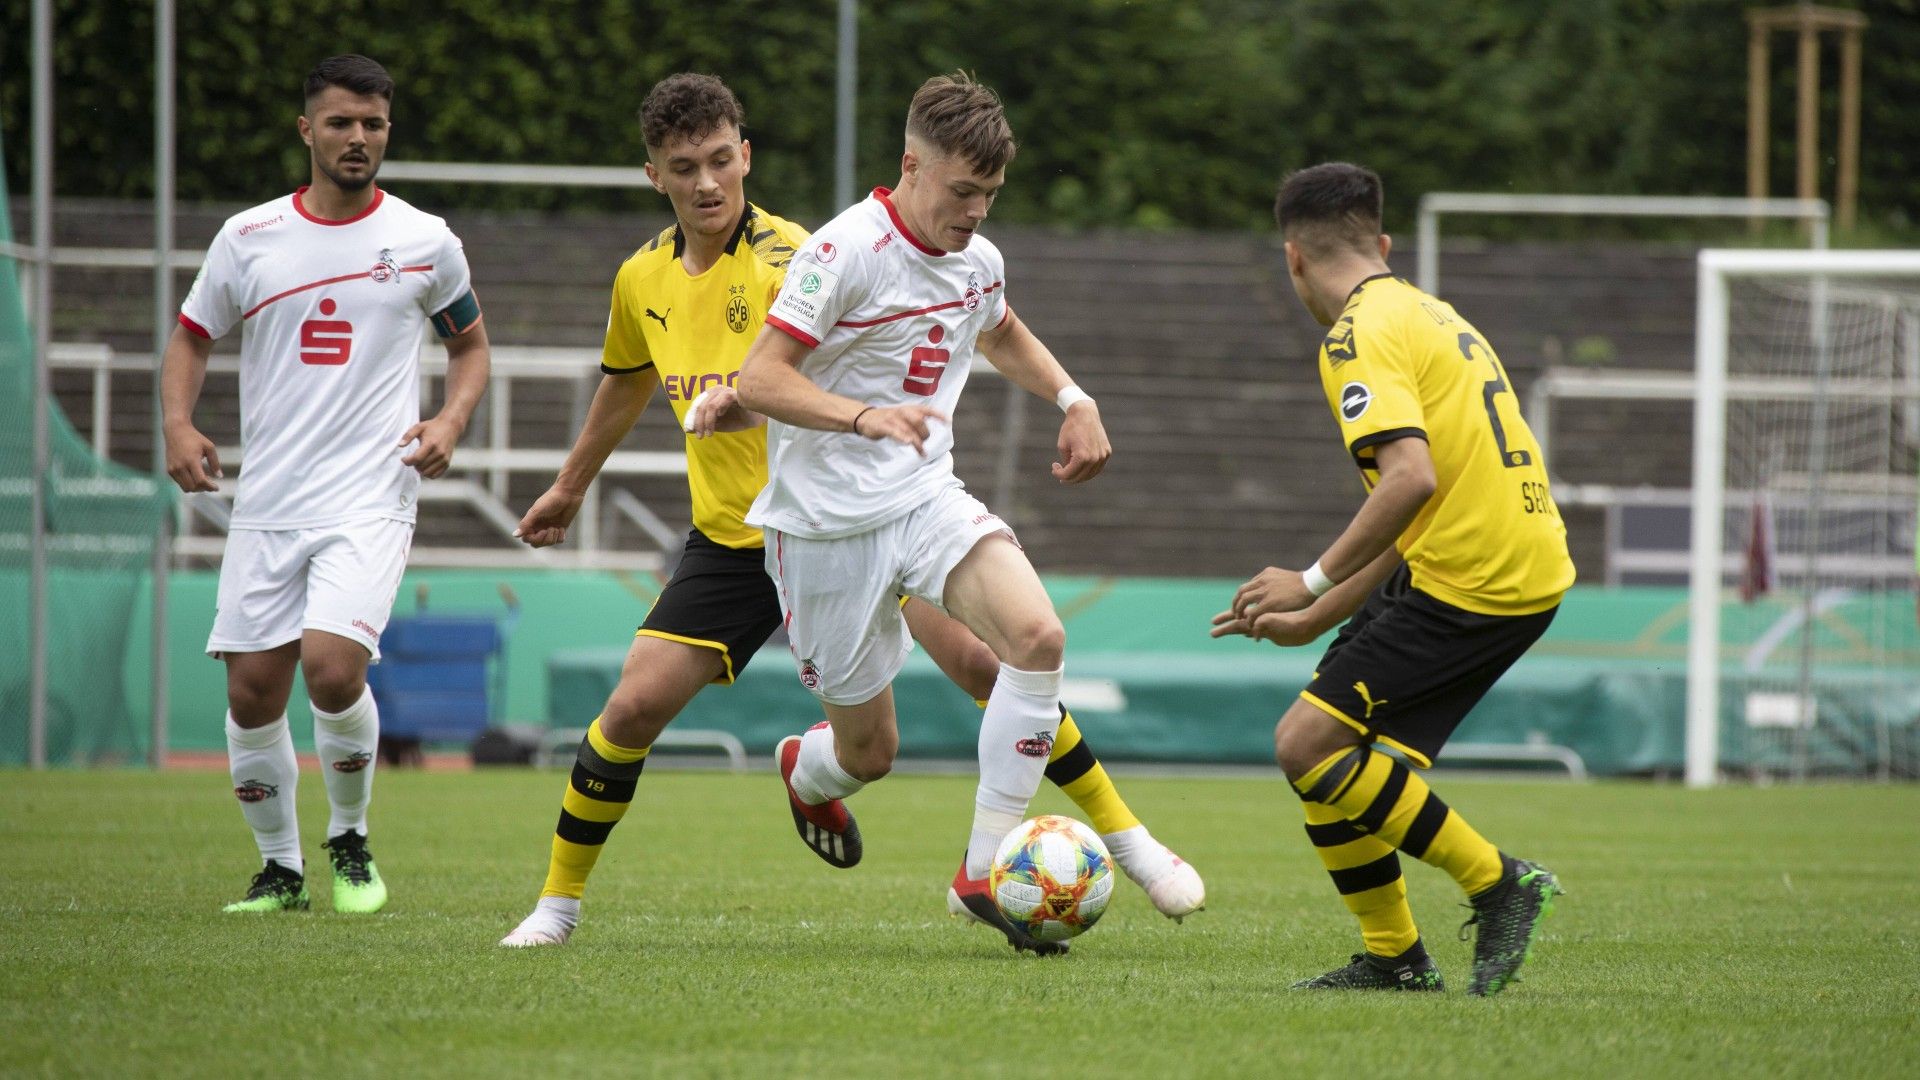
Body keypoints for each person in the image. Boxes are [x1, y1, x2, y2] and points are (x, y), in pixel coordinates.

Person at [500, 73, 1202, 949]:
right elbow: (634, 382)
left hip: (899, 501)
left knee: (1013, 655)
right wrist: (571, 484)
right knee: (688, 719)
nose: (710, 182)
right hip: (764, 534)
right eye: (687, 167)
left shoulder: (803, 253)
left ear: (746, 156)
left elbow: (956, 329)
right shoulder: (647, 276)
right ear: (656, 175)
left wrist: (1069, 396)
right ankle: (560, 904)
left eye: (724, 160)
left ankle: (1074, 853)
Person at [734, 72, 1133, 957]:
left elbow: (998, 331)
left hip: (922, 496)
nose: (977, 211)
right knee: (869, 753)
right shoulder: (843, 253)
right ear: (910, 165)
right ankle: (809, 770)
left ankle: (983, 871)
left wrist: (1075, 397)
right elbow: (758, 380)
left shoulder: (977, 260)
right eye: (962, 191)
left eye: (990, 195)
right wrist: (864, 415)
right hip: (824, 528)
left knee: (1037, 640)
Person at [1210, 162, 1573, 995]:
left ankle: (1499, 883)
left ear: (1293, 258)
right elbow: (1415, 507)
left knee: (1305, 743)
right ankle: (1395, 959)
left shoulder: (1354, 337)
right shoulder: (1427, 312)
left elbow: (1410, 480)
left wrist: (1307, 580)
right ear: (1381, 243)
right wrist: (1317, 614)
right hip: (1495, 560)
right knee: (1337, 759)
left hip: (1474, 575)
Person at [161, 55, 491, 914]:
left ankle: (349, 840)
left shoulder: (425, 240)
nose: (358, 138)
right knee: (251, 691)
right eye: (341, 122)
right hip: (268, 499)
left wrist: (451, 421)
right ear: (307, 129)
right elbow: (192, 335)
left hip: (370, 495)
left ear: (388, 131)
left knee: (333, 667)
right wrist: (177, 424)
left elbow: (470, 346)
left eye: (373, 124)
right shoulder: (248, 236)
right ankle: (282, 868)